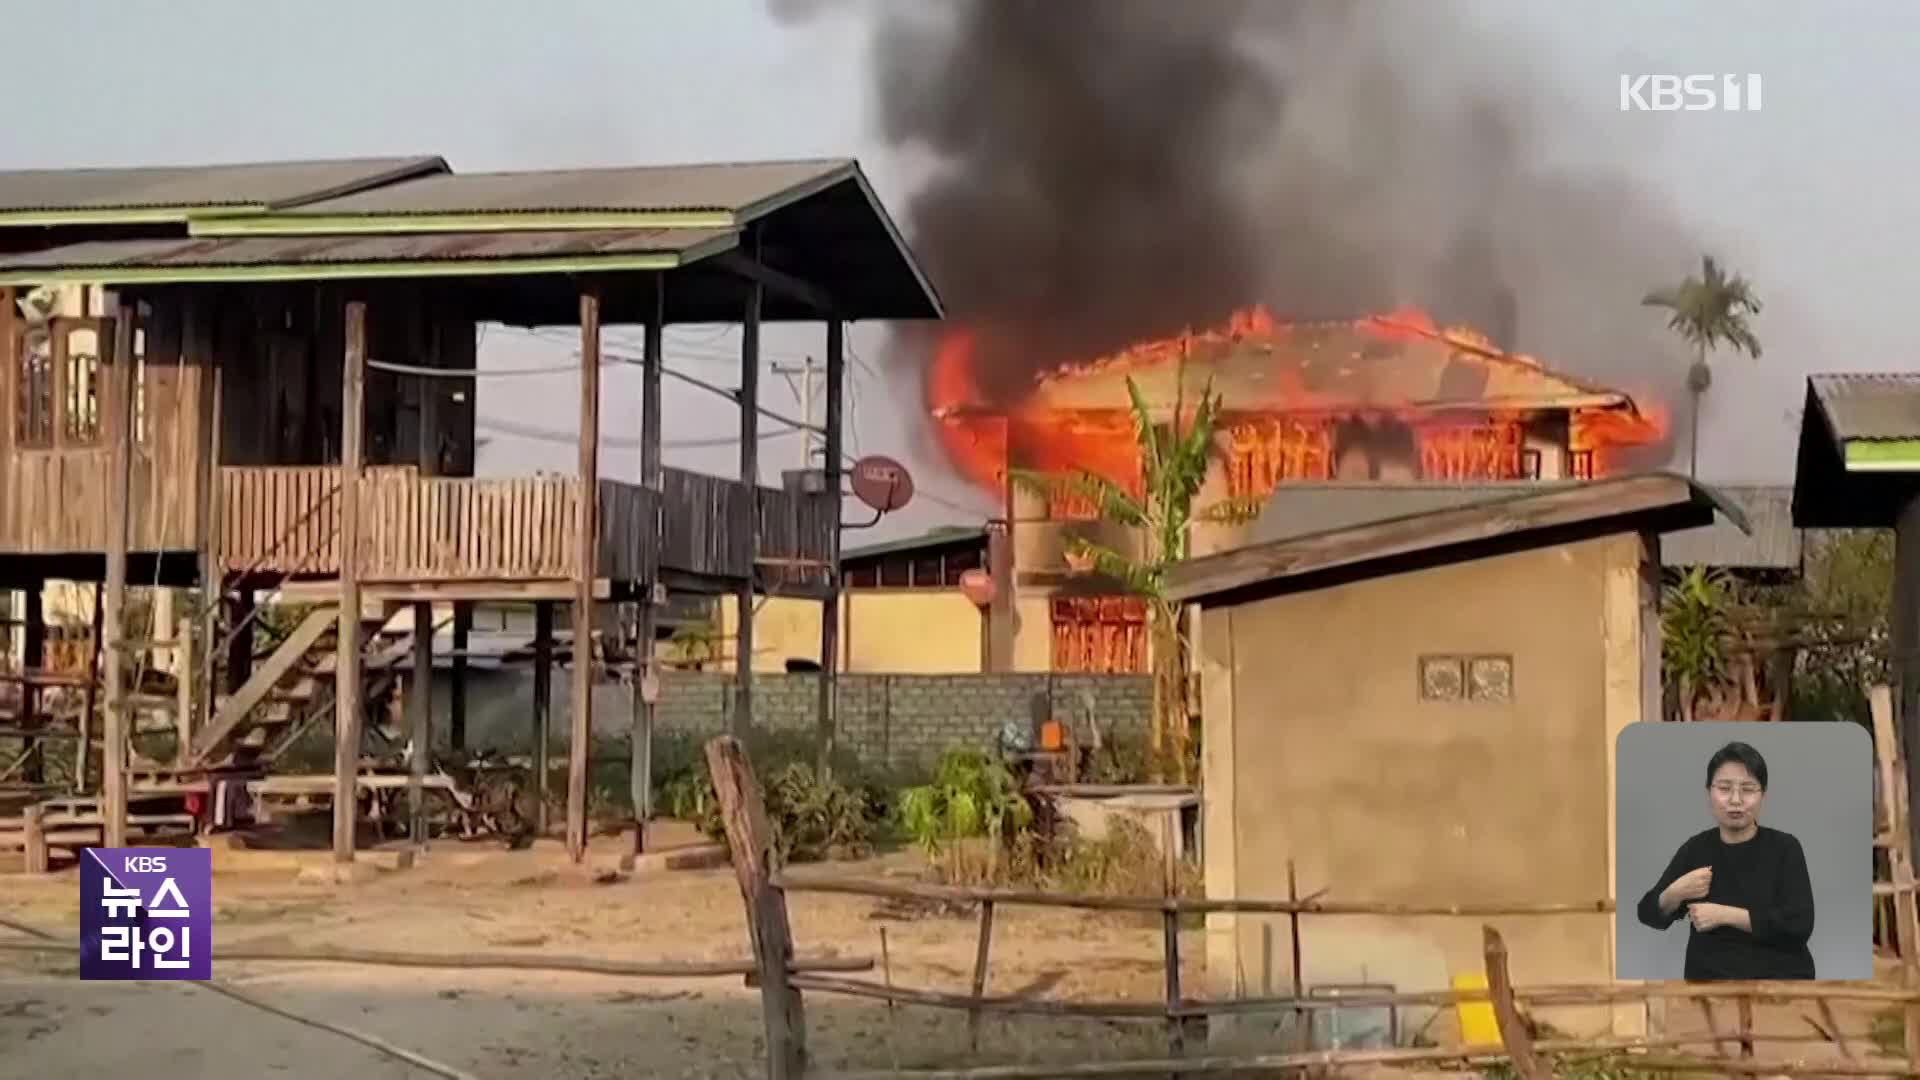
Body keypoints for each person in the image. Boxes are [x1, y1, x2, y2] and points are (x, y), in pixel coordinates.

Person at [1636, 741, 1816, 980]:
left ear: (1763, 795)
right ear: (1709, 791)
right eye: (1724, 788)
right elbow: (1648, 914)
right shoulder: (1696, 849)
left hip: (1781, 983)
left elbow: (1800, 924)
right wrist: (1674, 893)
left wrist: (1724, 915)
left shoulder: (1785, 848)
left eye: (1748, 789)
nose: (1735, 800)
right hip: (1711, 986)